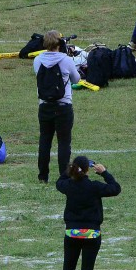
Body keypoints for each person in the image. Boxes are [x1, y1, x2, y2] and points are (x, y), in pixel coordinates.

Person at [56, 157, 121, 270]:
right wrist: (104, 173)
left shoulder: (68, 185)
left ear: (73, 168)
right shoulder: (94, 186)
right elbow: (116, 188)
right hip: (91, 234)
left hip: (72, 233)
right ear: (87, 170)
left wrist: (69, 171)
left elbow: (58, 183)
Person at [34, 30, 81, 184]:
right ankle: (64, 175)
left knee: (44, 141)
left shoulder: (37, 60)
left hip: (44, 106)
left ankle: (43, 176)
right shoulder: (66, 60)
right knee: (64, 142)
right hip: (63, 106)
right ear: (60, 43)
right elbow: (76, 79)